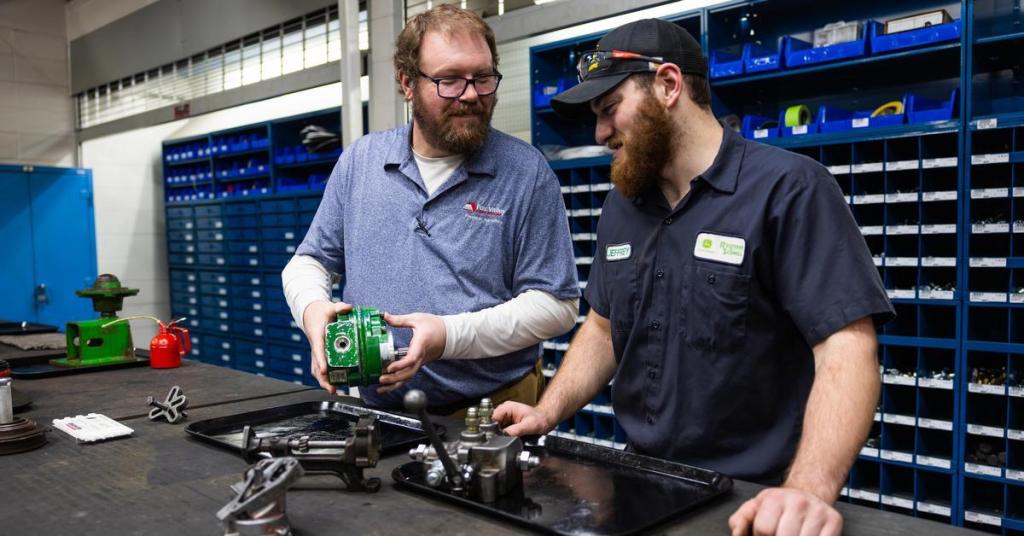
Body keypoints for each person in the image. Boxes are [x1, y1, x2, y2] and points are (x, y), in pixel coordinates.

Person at [492, 19, 894, 536]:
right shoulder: (625, 202)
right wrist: (546, 413)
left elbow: (846, 349)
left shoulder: (790, 189)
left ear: (667, 85)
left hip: (754, 500)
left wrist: (806, 492)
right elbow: (602, 328)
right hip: (640, 483)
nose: (599, 134)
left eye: (609, 109)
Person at [283, 5, 579, 415]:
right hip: (377, 409)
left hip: (491, 412)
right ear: (407, 83)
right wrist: (312, 311)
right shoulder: (361, 162)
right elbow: (309, 261)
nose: (472, 94)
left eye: (482, 78)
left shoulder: (526, 172)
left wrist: (447, 335)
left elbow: (556, 306)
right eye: (450, 80)